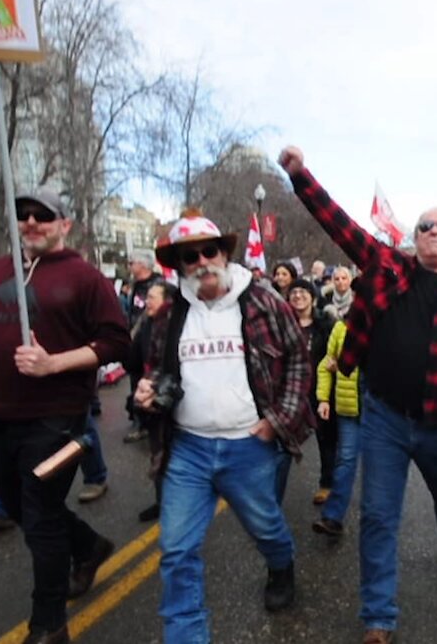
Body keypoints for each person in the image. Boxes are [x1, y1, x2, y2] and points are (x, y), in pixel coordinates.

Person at [280, 145, 437, 644]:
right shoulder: (387, 267)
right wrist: (300, 176)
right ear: (413, 236)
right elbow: (337, 223)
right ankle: (378, 617)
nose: (433, 232)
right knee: (379, 515)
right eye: (425, 225)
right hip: (382, 415)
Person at [0, 188, 130, 644]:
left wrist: (53, 363)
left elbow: (116, 342)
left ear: (64, 224)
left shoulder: (86, 278)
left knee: (41, 515)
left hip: (58, 418)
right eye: (22, 215)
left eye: (42, 216)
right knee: (17, 507)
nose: (30, 223)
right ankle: (88, 546)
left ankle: (48, 624)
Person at [134, 209, 312, 643]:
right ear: (178, 265)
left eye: (207, 251)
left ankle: (281, 565)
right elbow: (158, 372)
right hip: (188, 450)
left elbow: (299, 362)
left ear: (224, 253)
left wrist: (277, 421)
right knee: (176, 551)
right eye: (188, 257)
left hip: (248, 446)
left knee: (266, 527)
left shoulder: (264, 300)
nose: (200, 262)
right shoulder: (169, 313)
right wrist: (149, 394)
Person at [311, 307, 361, 538]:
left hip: (380, 413)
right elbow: (325, 365)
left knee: (381, 467)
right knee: (346, 460)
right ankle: (333, 517)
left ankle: (378, 521)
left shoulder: (388, 327)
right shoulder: (341, 328)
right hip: (348, 409)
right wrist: (323, 398)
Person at [289, 278, 337, 506]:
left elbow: (335, 352)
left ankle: (327, 484)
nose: (298, 295)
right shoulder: (283, 323)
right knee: (282, 441)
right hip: (290, 392)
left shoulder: (325, 324)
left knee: (326, 439)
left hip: (318, 391)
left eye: (303, 291)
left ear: (313, 297)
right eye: (294, 292)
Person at [130, 281, 174, 523]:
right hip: (146, 394)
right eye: (147, 297)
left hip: (167, 400)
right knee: (157, 452)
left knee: (169, 455)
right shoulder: (146, 322)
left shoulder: (173, 326)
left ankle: (178, 504)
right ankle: (161, 502)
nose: (148, 302)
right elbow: (134, 359)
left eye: (153, 297)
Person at [123, 252, 163, 443]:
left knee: (150, 380)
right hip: (136, 342)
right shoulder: (136, 286)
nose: (129, 266)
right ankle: (138, 420)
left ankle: (151, 422)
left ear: (143, 265)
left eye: (132, 263)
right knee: (135, 377)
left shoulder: (158, 285)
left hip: (152, 339)